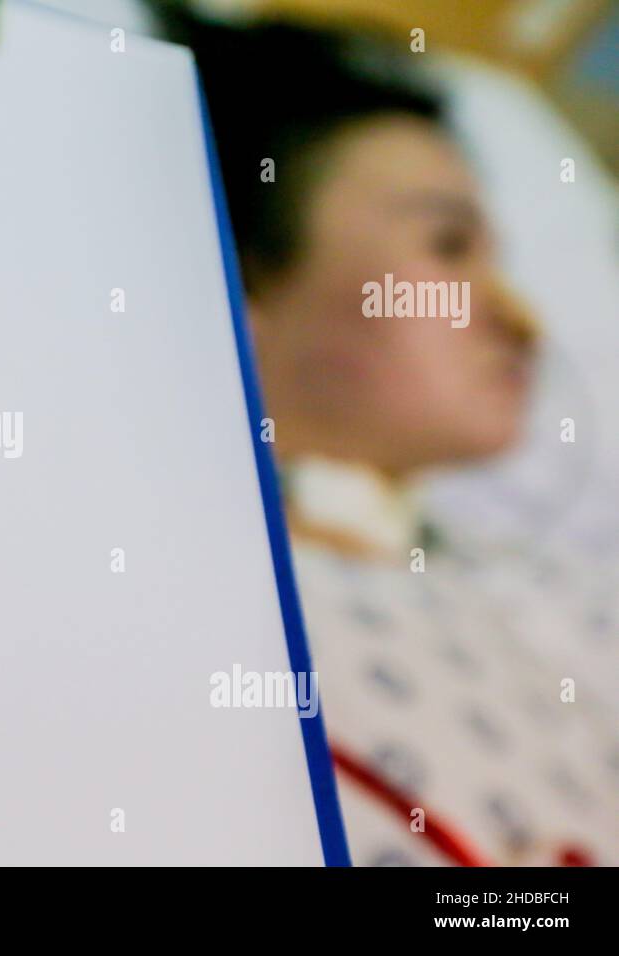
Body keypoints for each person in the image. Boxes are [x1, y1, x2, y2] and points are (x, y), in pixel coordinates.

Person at [149, 4, 619, 865]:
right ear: (234, 284)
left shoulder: (562, 599)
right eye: (447, 246)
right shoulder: (147, 587)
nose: (520, 317)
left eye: (501, 262)